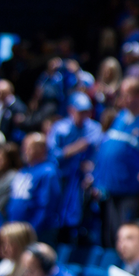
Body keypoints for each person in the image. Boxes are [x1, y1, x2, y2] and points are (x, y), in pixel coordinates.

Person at [94, 76, 139, 248]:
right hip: (109, 189)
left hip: (130, 192)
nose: (123, 99)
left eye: (127, 94)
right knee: (110, 238)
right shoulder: (122, 117)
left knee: (126, 239)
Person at [47, 92, 104, 242]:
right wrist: (75, 148)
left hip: (83, 180)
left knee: (83, 217)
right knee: (58, 215)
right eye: (80, 111)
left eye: (87, 112)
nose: (84, 115)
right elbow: (53, 155)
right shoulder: (60, 128)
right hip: (62, 178)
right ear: (71, 110)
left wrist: (91, 171)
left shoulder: (94, 128)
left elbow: (98, 155)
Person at [5, 134, 61, 240]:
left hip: (36, 234)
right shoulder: (23, 171)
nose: (24, 151)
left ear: (41, 149)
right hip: (16, 232)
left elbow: (47, 207)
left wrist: (32, 231)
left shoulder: (48, 172)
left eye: (28, 147)